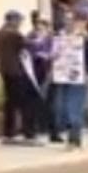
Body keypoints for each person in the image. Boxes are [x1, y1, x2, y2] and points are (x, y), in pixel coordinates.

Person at [0, 10, 39, 145]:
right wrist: (41, 38)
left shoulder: (0, 32)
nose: (20, 23)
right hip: (16, 72)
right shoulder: (13, 34)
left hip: (5, 71)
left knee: (10, 102)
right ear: (12, 20)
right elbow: (31, 44)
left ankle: (8, 133)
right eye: (19, 21)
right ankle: (29, 135)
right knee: (26, 102)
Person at [50, 12, 88, 150]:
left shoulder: (82, 37)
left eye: (71, 20)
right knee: (63, 108)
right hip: (62, 77)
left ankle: (74, 139)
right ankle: (72, 137)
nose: (68, 23)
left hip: (78, 77)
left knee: (74, 108)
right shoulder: (58, 37)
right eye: (66, 20)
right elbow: (52, 55)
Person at [26, 15, 59, 143]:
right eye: (39, 24)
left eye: (44, 24)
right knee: (36, 101)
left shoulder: (52, 38)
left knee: (51, 102)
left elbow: (56, 52)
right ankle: (37, 128)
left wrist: (50, 56)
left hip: (49, 72)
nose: (41, 27)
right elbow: (27, 52)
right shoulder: (30, 37)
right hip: (35, 73)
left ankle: (53, 132)